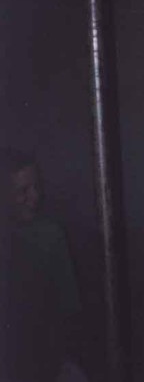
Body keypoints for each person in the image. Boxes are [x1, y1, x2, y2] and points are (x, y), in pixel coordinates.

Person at [2, 149, 89, 382]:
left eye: (36, 187)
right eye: (22, 191)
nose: (35, 197)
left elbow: (69, 308)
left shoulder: (51, 235)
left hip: (46, 356)